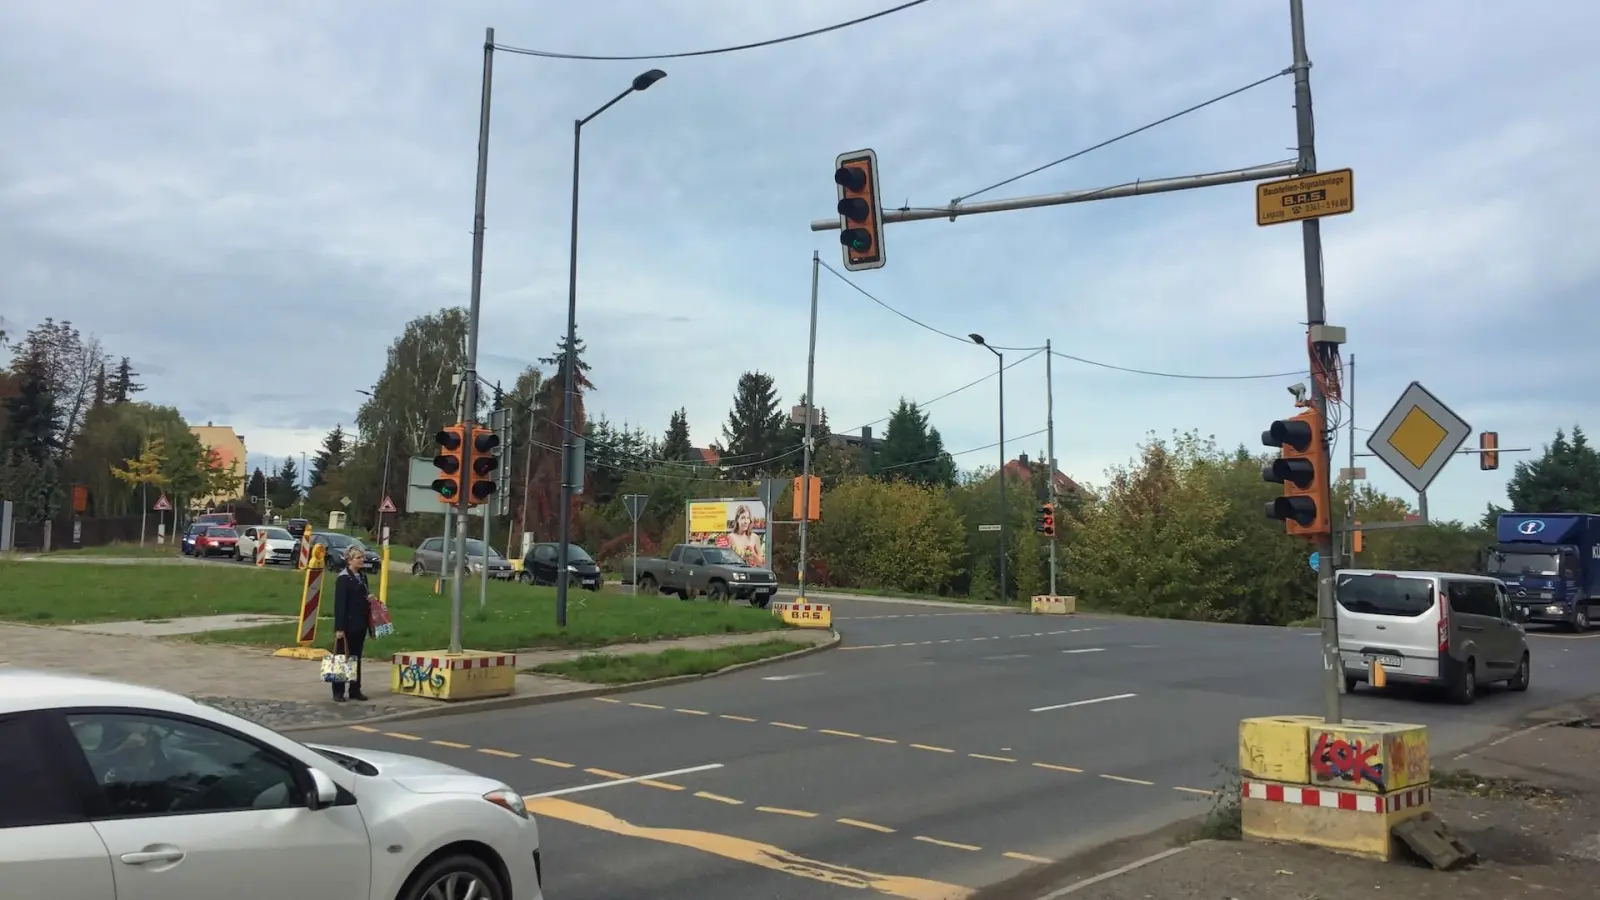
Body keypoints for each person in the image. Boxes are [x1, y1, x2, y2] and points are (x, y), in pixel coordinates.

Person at [331, 548, 374, 702]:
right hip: (347, 624)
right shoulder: (343, 578)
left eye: (362, 557)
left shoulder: (362, 576)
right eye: (358, 557)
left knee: (356, 657)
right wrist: (339, 628)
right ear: (349, 560)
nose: (361, 560)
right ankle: (338, 691)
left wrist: (368, 599)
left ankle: (355, 689)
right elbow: (340, 605)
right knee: (342, 658)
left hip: (360, 624)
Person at [725, 503, 766, 568]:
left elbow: (762, 564)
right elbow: (724, 561)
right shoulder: (730, 537)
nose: (746, 521)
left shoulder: (754, 537)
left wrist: (753, 554)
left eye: (748, 518)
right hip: (736, 574)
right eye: (743, 518)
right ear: (737, 519)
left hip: (751, 574)